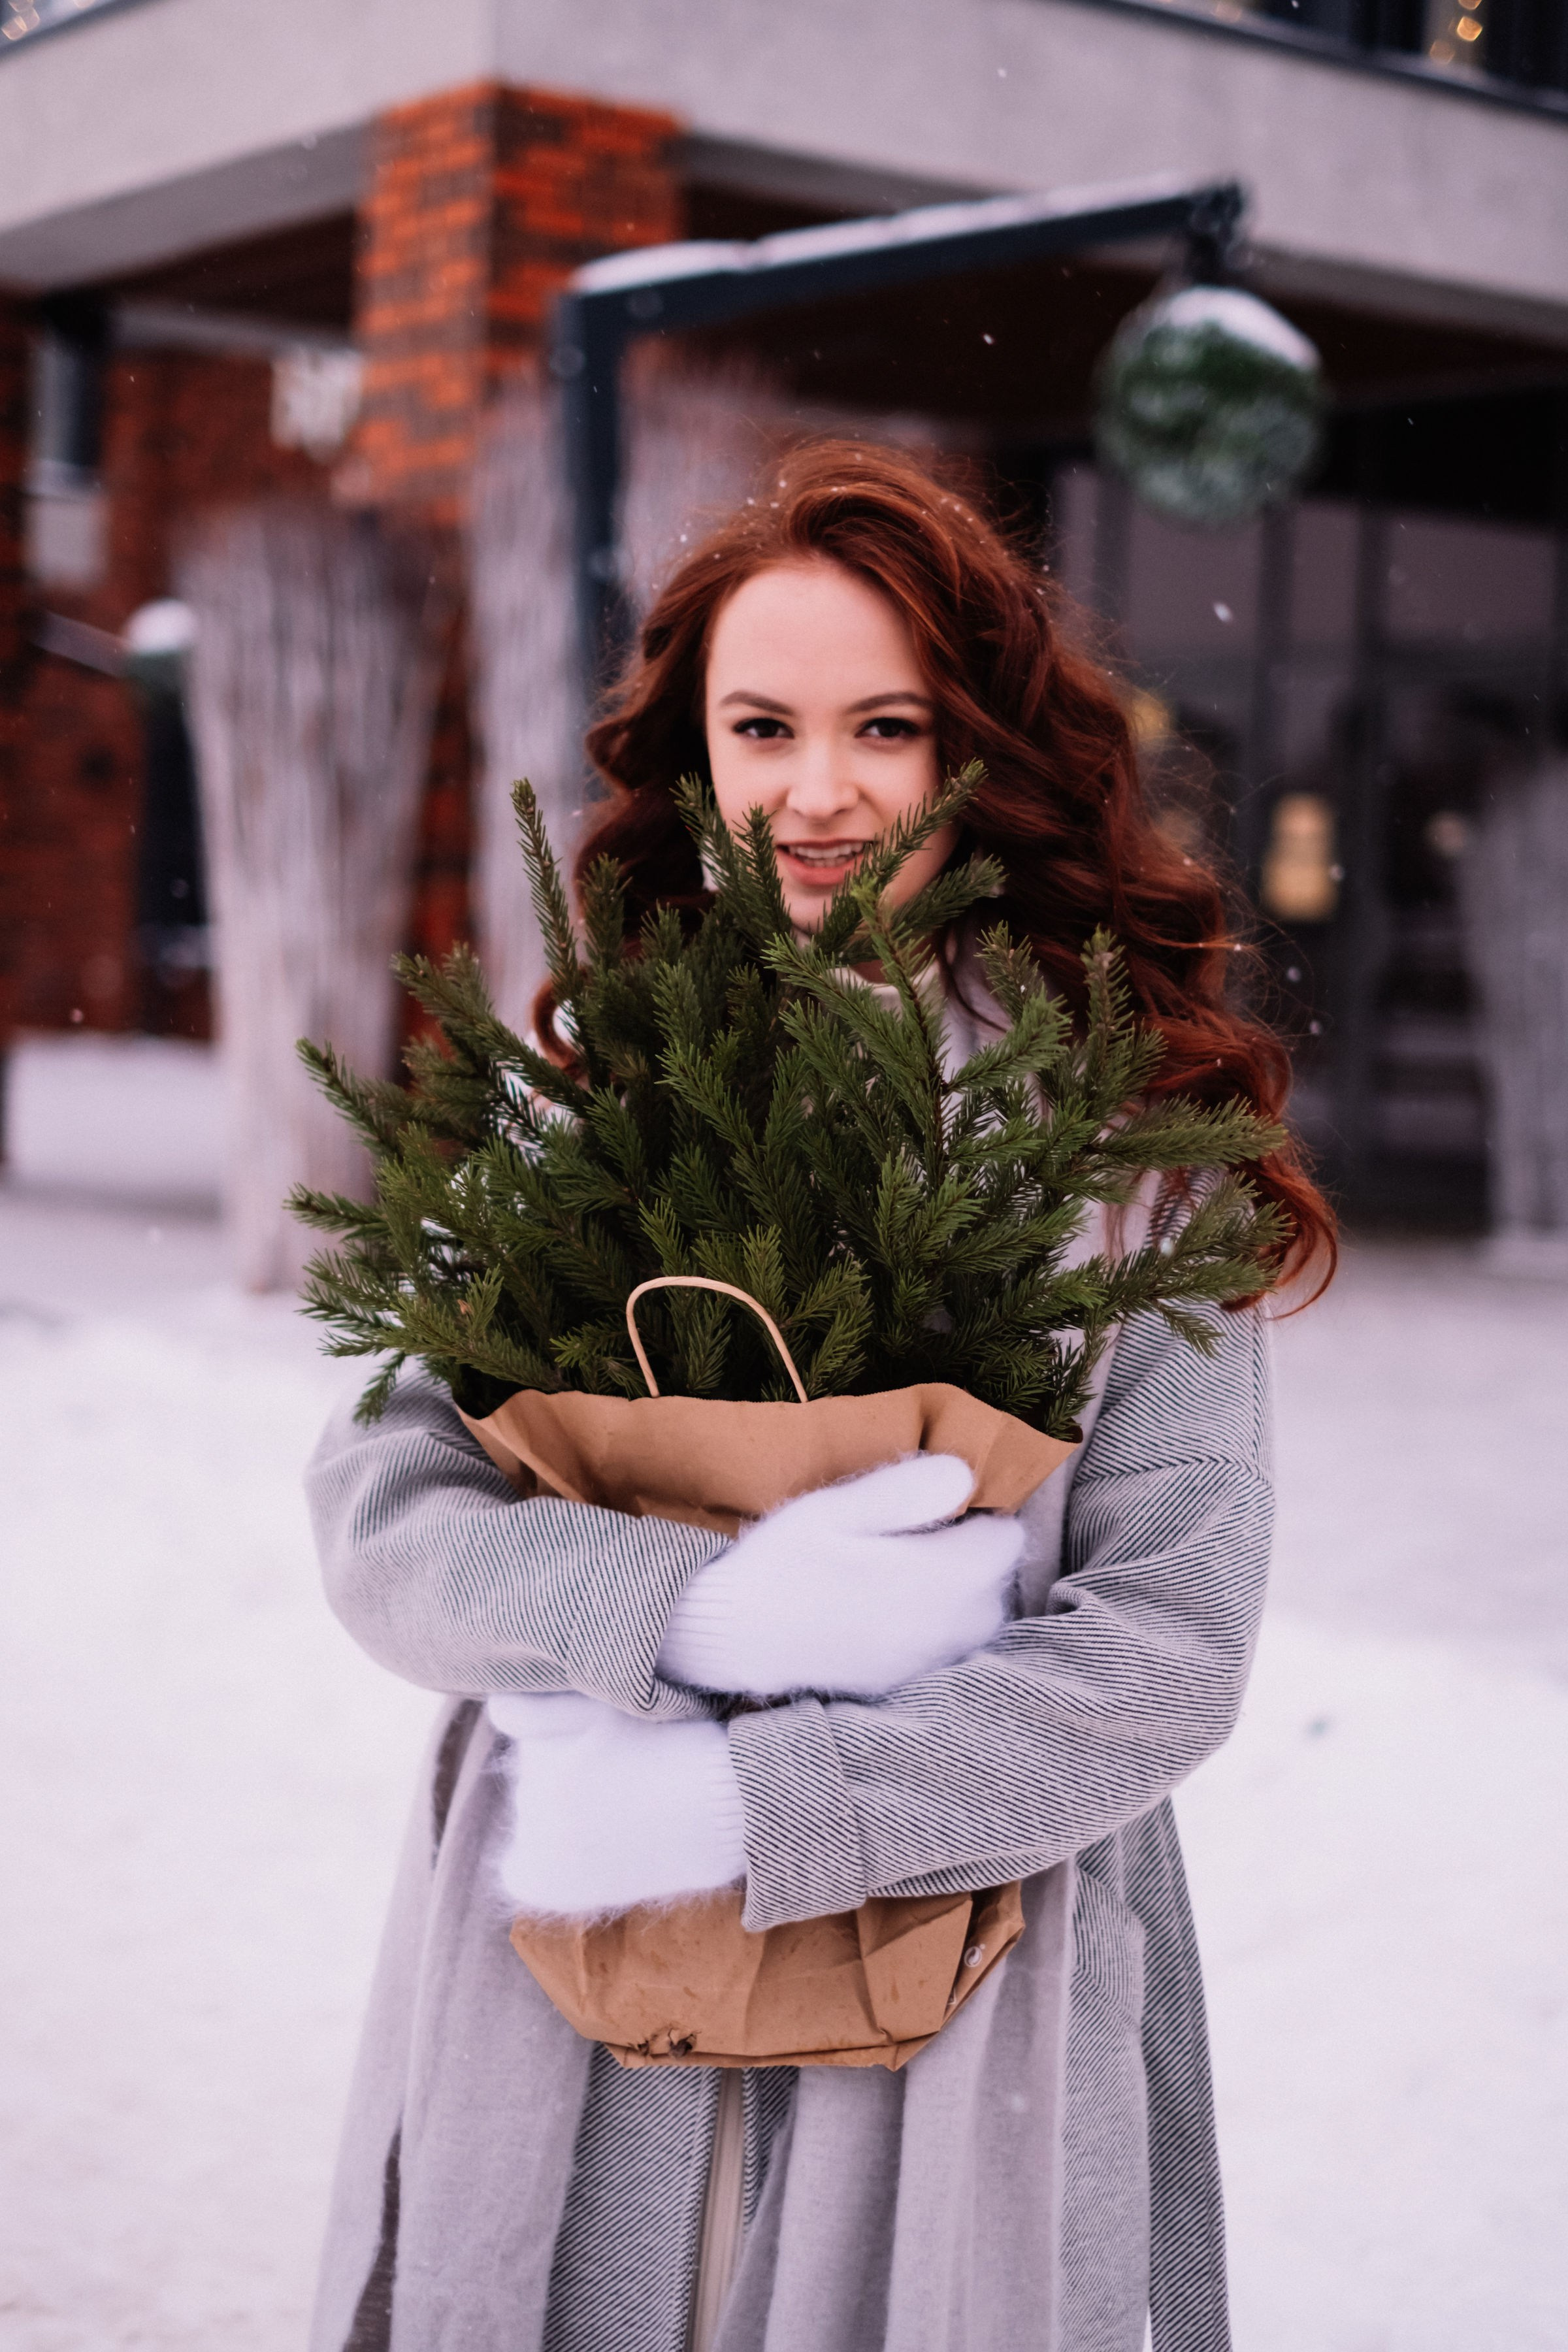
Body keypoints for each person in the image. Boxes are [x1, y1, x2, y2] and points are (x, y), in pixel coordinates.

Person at [304, 441, 1334, 2352]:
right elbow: (382, 1518)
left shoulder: (1125, 1155)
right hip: (557, 1966)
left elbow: (1171, 1641)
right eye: (762, 724)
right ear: (696, 753)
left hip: (966, 2005)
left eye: (888, 725)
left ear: (980, 754)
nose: (819, 789)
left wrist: (752, 1801)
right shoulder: (584, 1114)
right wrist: (674, 1608)